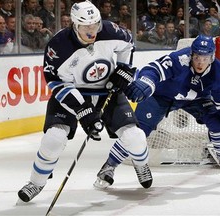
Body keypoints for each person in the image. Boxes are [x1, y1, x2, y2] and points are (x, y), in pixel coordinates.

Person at [17, 0, 152, 203]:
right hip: (73, 93)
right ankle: (36, 182)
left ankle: (141, 165)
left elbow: (128, 44)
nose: (92, 31)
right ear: (74, 24)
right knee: (53, 139)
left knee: (135, 138)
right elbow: (56, 83)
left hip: (108, 91)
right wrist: (83, 110)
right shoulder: (59, 46)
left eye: (95, 25)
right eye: (86, 26)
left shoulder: (110, 30)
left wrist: (124, 68)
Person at [109, 34, 220, 185]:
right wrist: (147, 81)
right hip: (162, 96)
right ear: (191, 54)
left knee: (217, 122)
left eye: (205, 58)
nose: (200, 63)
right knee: (138, 131)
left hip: (196, 100)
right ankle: (110, 166)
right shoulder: (179, 59)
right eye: (196, 58)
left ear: (212, 57)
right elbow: (153, 69)